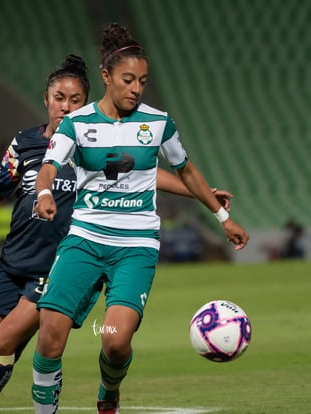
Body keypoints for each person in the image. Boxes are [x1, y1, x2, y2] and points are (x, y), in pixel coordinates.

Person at [0, 54, 232, 414]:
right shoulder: (24, 144)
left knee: (6, 339)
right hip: (13, 262)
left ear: (84, 103)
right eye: (60, 98)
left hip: (54, 265)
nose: (66, 107)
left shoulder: (87, 142)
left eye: (75, 100)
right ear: (46, 98)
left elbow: (144, 173)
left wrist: (202, 193)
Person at [32, 23, 249, 414]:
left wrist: (220, 216)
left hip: (135, 247)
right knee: (50, 336)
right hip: (84, 239)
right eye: (128, 79)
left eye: (143, 81)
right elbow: (48, 167)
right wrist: (44, 192)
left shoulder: (159, 123)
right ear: (106, 76)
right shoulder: (76, 123)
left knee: (114, 340)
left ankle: (108, 391)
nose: (136, 88)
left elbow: (185, 170)